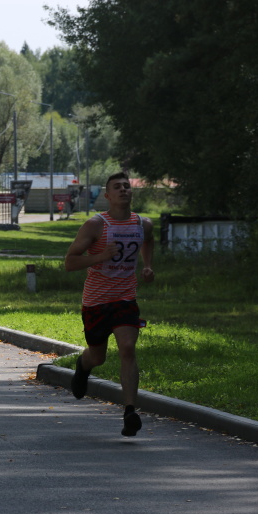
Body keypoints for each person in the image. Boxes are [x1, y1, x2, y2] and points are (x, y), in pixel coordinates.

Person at [64, 172, 155, 437]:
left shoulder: (143, 223)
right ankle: (83, 366)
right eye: (117, 187)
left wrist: (147, 266)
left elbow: (149, 241)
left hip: (125, 298)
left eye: (127, 186)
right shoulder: (96, 225)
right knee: (98, 357)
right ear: (107, 195)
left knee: (127, 348)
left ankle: (130, 412)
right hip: (95, 301)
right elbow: (70, 262)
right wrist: (102, 255)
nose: (124, 190)